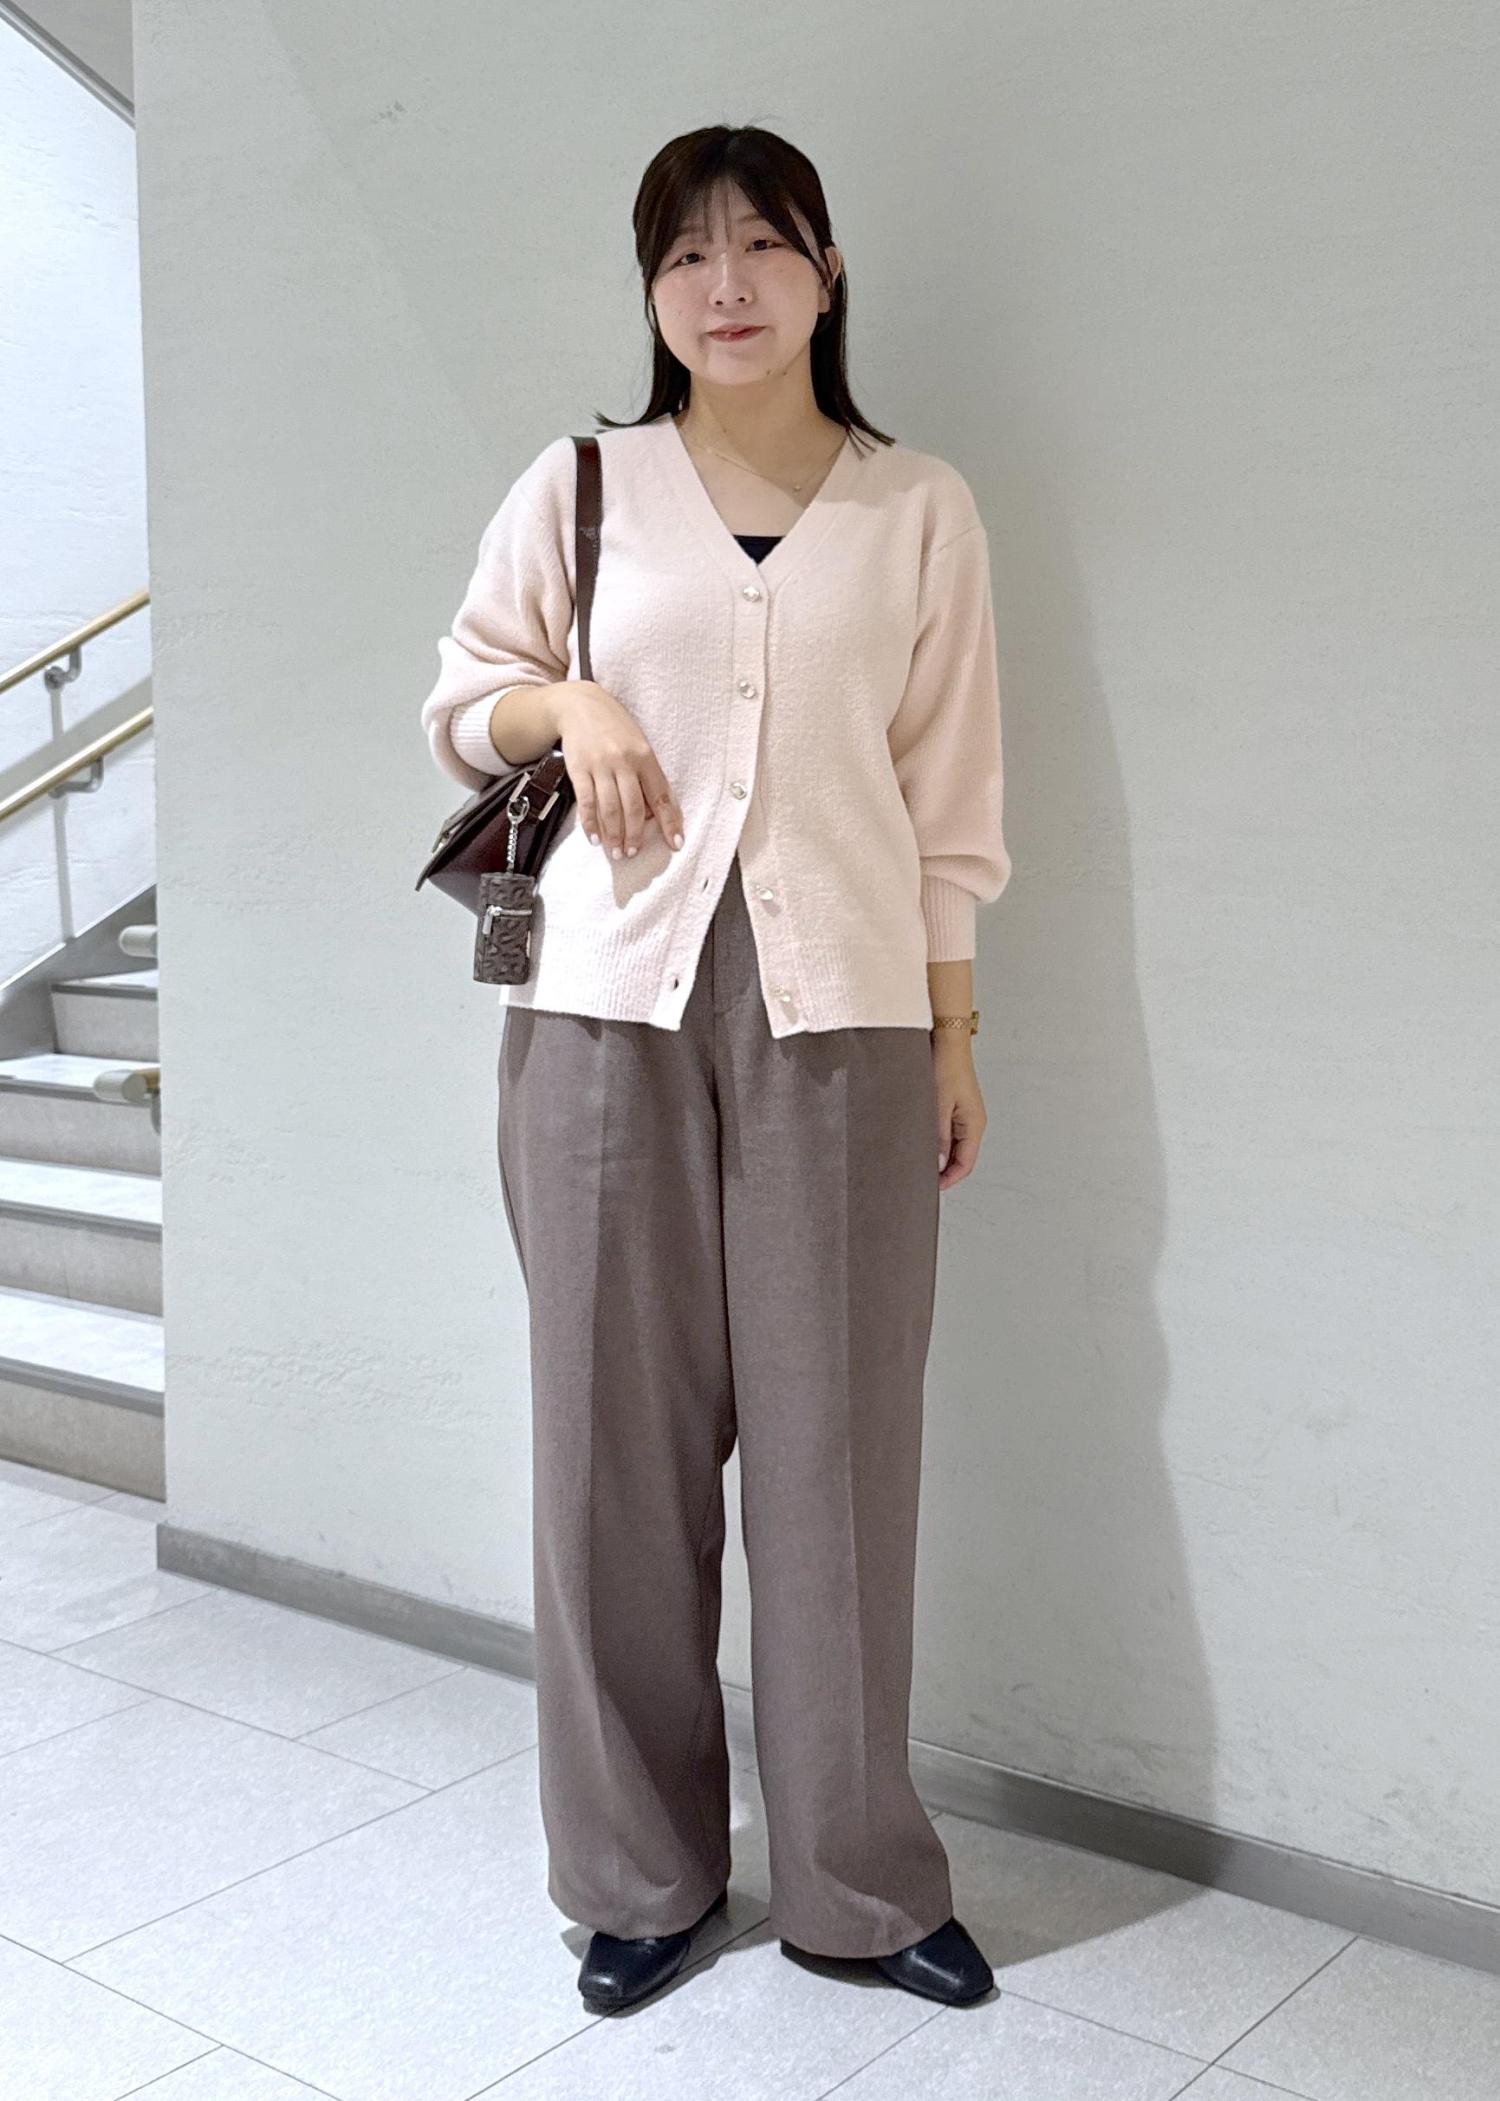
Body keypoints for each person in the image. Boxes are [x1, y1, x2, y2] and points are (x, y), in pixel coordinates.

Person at [420, 124, 1011, 2016]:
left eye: (764, 244)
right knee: (610, 1452)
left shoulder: (919, 510)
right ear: (651, 290)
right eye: (685, 254)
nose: (725, 283)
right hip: (600, 1012)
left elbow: (948, 804)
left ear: (829, 272)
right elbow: (461, 702)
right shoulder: (581, 484)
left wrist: (957, 1033)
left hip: (848, 1020)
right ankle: (637, 1874)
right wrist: (574, 697)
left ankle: (859, 1881)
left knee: (843, 1458)